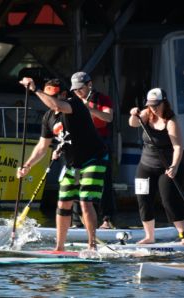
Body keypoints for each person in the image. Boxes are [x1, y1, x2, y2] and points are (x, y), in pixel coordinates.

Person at [18, 74, 108, 251]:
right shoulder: (48, 117)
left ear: (64, 94)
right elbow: (42, 147)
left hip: (94, 159)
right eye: (47, 95)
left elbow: (57, 104)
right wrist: (27, 165)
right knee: (63, 202)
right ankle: (59, 247)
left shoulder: (74, 104)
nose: (50, 100)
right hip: (72, 163)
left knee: (85, 201)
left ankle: (92, 245)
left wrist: (35, 89)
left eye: (53, 95)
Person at [128, 88, 184, 245]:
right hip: (146, 165)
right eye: (150, 105)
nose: (153, 108)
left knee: (169, 201)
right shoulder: (146, 114)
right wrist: (133, 114)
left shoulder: (171, 120)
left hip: (167, 167)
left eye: (156, 105)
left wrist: (174, 166)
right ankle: (150, 236)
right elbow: (133, 124)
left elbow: (177, 147)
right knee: (143, 199)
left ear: (164, 103)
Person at [70, 72, 116, 229]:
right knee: (76, 179)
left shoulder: (103, 99)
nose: (77, 92)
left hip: (100, 143)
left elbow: (108, 118)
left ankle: (107, 219)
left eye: (80, 89)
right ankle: (77, 221)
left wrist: (88, 109)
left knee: (103, 181)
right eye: (75, 90)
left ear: (89, 85)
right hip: (79, 144)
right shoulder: (73, 101)